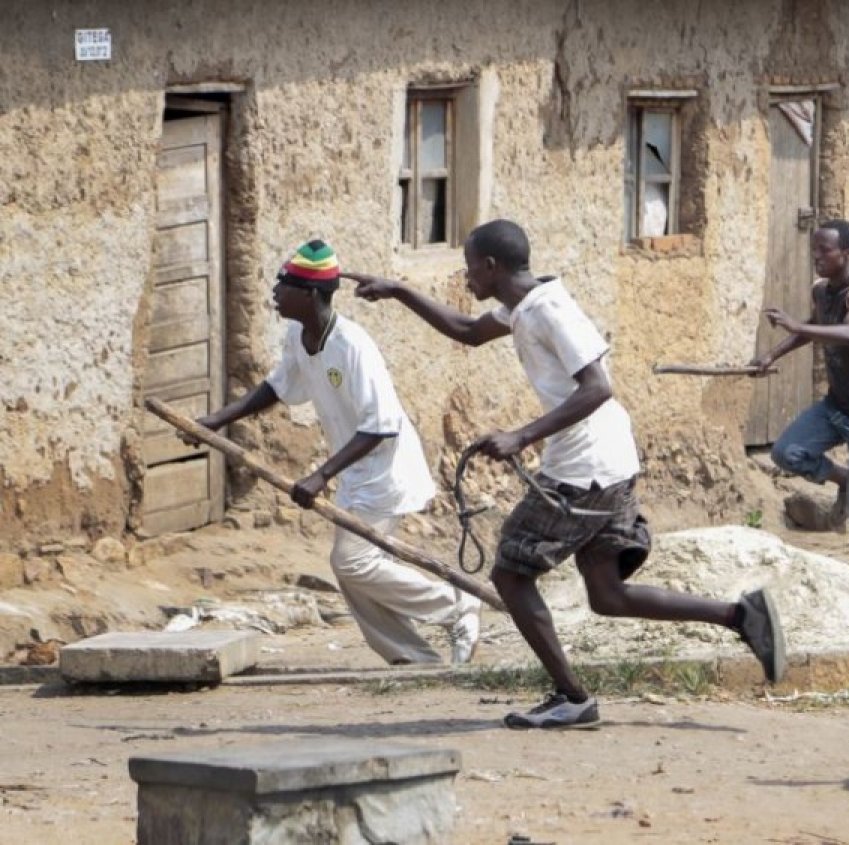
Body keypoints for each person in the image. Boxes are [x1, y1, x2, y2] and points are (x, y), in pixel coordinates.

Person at [346, 219, 787, 729]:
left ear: (491, 266)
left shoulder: (550, 309)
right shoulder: (521, 307)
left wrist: (522, 436)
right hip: (605, 462)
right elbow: (466, 332)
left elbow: (597, 386)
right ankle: (740, 616)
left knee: (511, 575)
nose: (465, 278)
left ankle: (571, 695)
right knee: (607, 594)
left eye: (469, 268)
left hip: (587, 468)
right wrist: (399, 290)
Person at [192, 240, 480, 666]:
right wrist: (218, 419)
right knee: (354, 573)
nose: (274, 291)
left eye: (283, 284)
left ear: (309, 294)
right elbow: (277, 387)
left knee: (353, 563)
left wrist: (320, 475)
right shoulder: (298, 335)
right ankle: (413, 658)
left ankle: (456, 607)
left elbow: (381, 427)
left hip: (384, 471)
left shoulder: (351, 345)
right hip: (356, 473)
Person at [747, 219, 849, 578]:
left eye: (824, 251)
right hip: (836, 405)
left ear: (848, 254)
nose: (816, 257)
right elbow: (813, 326)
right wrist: (773, 354)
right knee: (787, 452)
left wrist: (797, 327)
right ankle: (844, 478)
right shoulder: (821, 290)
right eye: (814, 249)